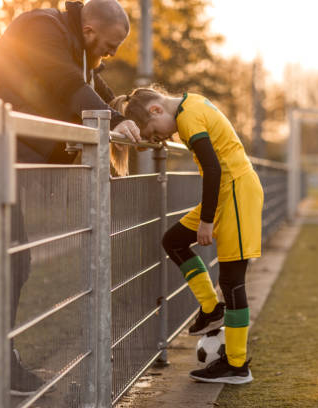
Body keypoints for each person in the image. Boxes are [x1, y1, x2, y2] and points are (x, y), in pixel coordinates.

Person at [0, 0, 141, 396]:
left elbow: (99, 91)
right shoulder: (40, 28)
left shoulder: (76, 51)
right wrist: (114, 122)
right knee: (11, 258)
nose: (112, 54)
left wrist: (135, 116)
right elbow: (65, 84)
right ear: (90, 30)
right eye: (111, 44)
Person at [113, 88, 264, 384]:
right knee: (174, 240)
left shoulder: (189, 116)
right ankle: (211, 309)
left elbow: (213, 168)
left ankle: (236, 365)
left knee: (232, 280)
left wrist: (207, 220)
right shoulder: (188, 105)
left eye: (156, 133)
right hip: (225, 194)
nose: (163, 139)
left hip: (236, 192)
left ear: (156, 110)